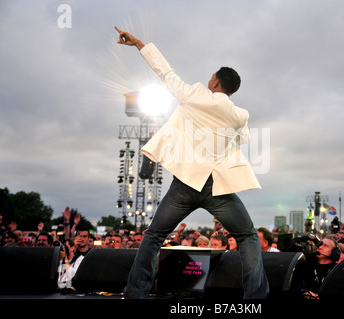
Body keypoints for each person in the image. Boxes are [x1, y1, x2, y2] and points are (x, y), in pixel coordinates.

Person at [115, 26, 269, 299]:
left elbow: (165, 72)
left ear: (216, 83)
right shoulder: (239, 114)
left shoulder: (196, 95)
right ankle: (256, 298)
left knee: (153, 236)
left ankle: (136, 293)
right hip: (216, 188)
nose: (208, 79)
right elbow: (242, 138)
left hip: (185, 184)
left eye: (211, 77)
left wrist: (139, 43)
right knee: (246, 237)